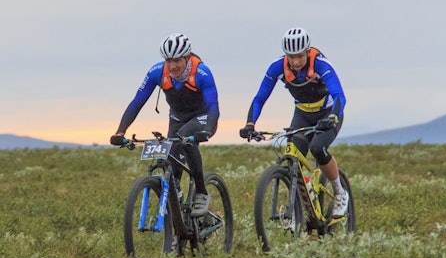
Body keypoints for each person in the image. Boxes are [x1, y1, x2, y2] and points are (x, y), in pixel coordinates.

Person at [239, 27, 348, 218]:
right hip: (302, 114)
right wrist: (250, 124)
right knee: (293, 156)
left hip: (327, 113)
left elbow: (339, 95)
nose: (296, 62)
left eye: (300, 56)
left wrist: (333, 117)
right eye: (291, 57)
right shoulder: (277, 67)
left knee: (317, 148)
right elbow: (259, 99)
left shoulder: (321, 64)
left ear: (307, 52)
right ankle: (300, 206)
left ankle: (339, 192)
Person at [110, 33, 220, 217]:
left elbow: (214, 107)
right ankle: (178, 217)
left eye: (177, 60)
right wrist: (120, 131)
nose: (173, 66)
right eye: (168, 60)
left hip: (203, 118)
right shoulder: (157, 72)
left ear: (186, 57)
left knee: (185, 138)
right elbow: (137, 102)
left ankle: (201, 192)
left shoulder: (202, 73)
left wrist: (207, 130)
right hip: (176, 119)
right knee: (171, 160)